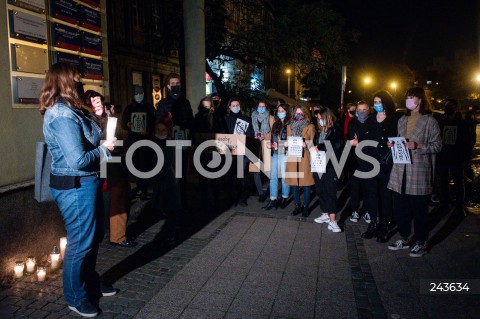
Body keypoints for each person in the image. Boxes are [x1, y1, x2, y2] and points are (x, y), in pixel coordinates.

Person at [40, 62, 117, 317]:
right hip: (75, 184)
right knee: (80, 242)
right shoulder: (61, 114)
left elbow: (90, 138)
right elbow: (78, 160)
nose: (80, 83)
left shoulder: (74, 109)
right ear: (63, 82)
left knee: (93, 237)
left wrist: (100, 116)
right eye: (76, 79)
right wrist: (105, 150)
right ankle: (75, 296)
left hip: (87, 180)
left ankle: (90, 282)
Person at [387, 87, 441, 257]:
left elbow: (437, 146)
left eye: (411, 97)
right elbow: (399, 139)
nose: (408, 100)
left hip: (419, 172)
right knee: (401, 209)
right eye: (407, 97)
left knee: (419, 211)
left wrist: (418, 146)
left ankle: (421, 241)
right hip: (400, 171)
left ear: (420, 99)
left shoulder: (429, 121)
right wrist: (393, 145)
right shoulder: (402, 119)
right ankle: (404, 238)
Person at [84, 90, 137, 248]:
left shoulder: (106, 118)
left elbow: (120, 136)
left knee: (122, 196)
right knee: (118, 198)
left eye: (101, 102)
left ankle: (118, 233)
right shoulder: (89, 119)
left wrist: (111, 117)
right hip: (107, 162)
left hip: (116, 161)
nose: (100, 106)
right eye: (96, 102)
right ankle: (117, 236)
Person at [357, 91, 397, 242]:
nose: (377, 105)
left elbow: (398, 141)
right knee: (371, 196)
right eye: (375, 102)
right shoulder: (370, 121)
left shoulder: (394, 121)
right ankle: (373, 223)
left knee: (386, 197)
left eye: (380, 102)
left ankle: (384, 226)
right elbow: (361, 141)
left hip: (386, 166)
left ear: (386, 103)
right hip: (370, 165)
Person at [155, 73, 194, 198]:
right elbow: (158, 123)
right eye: (173, 84)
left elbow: (190, 119)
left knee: (182, 171)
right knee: (170, 171)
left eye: (177, 83)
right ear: (168, 86)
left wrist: (187, 129)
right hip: (169, 142)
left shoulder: (185, 102)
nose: (175, 85)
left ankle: (182, 198)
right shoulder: (163, 103)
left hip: (183, 140)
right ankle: (170, 199)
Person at [312, 107, 344, 232]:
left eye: (321, 118)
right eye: (318, 119)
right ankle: (325, 213)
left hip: (331, 165)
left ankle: (332, 221)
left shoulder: (336, 130)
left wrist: (319, 146)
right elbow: (315, 143)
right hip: (318, 164)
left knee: (330, 192)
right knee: (320, 190)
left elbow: (336, 145)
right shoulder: (319, 131)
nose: (319, 121)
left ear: (327, 117)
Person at [151, 116, 182, 245]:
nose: (160, 132)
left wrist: (153, 176)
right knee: (166, 208)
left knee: (170, 209)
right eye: (158, 129)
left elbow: (166, 163)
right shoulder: (156, 142)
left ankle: (170, 235)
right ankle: (169, 232)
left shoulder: (169, 144)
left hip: (169, 180)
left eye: (163, 129)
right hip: (162, 180)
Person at [121, 85, 156, 199]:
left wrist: (149, 130)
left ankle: (144, 187)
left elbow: (155, 122)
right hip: (133, 140)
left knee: (144, 164)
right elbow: (123, 123)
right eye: (136, 93)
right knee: (135, 164)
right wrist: (127, 124)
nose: (139, 95)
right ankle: (140, 186)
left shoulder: (149, 107)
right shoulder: (129, 108)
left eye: (140, 93)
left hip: (146, 141)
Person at [437, 99, 470, 216]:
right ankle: (445, 203)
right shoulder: (441, 121)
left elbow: (467, 140)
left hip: (457, 157)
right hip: (443, 156)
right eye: (446, 106)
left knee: (458, 181)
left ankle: (459, 206)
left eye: (450, 106)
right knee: (443, 181)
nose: (448, 108)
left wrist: (465, 157)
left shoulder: (461, 122)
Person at [222, 97, 254, 206]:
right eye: (233, 105)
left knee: (241, 176)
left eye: (237, 105)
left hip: (241, 150)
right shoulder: (225, 119)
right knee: (230, 176)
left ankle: (241, 198)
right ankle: (231, 198)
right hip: (229, 151)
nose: (235, 107)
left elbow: (250, 134)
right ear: (229, 107)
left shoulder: (246, 119)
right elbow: (222, 135)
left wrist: (244, 140)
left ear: (240, 106)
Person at [193, 96, 222, 215]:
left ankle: (216, 201)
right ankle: (204, 202)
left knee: (215, 177)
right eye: (204, 106)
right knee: (203, 178)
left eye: (208, 106)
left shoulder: (216, 117)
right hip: (202, 151)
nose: (207, 108)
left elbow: (220, 130)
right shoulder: (198, 117)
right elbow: (195, 131)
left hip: (214, 150)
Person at [285, 105, 315, 217]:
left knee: (306, 184)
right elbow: (287, 141)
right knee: (294, 184)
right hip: (293, 157)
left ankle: (306, 206)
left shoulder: (310, 126)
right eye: (297, 113)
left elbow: (312, 143)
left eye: (301, 113)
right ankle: (297, 205)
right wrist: (286, 144)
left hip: (304, 157)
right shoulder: (289, 126)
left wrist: (305, 143)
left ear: (305, 114)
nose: (298, 115)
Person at [262, 103, 291, 210]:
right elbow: (273, 138)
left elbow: (291, 141)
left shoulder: (290, 124)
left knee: (284, 177)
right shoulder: (276, 124)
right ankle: (273, 199)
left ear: (287, 112)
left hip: (285, 153)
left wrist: (279, 145)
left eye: (282, 111)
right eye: (278, 111)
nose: (280, 113)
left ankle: (284, 197)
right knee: (273, 177)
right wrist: (271, 144)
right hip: (275, 153)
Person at [347, 100, 370, 223]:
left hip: (369, 161)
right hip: (355, 161)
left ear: (368, 109)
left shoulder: (372, 122)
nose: (361, 112)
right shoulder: (353, 123)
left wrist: (360, 139)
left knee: (367, 188)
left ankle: (367, 211)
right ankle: (355, 211)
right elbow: (352, 140)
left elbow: (370, 141)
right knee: (355, 188)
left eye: (364, 110)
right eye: (359, 110)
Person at [251, 99, 274, 202]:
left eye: (263, 106)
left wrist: (265, 136)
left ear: (266, 107)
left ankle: (270, 190)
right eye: (259, 106)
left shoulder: (270, 117)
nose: (261, 108)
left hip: (266, 145)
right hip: (255, 146)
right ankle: (260, 193)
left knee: (268, 169)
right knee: (256, 170)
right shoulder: (252, 117)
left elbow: (274, 133)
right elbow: (250, 131)